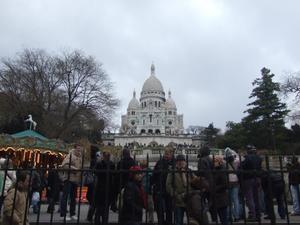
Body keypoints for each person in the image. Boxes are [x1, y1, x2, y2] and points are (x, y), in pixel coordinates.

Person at [60, 143, 83, 221]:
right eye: (78, 148)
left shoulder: (80, 157)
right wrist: (74, 169)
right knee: (65, 197)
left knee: (73, 198)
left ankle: (72, 213)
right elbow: (64, 165)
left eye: (80, 149)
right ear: (75, 148)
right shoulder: (70, 155)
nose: (79, 150)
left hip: (75, 180)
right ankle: (63, 214)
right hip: (69, 178)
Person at [166, 154, 191, 225]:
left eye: (182, 161)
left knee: (191, 221)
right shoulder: (172, 171)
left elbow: (193, 183)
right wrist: (176, 195)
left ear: (185, 162)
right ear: (176, 163)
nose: (180, 163)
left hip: (189, 200)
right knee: (178, 221)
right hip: (178, 201)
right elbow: (168, 185)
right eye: (178, 161)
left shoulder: (189, 171)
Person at [152, 147, 174, 225]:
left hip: (169, 190)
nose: (166, 155)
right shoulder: (160, 162)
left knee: (169, 210)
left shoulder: (174, 163)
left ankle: (169, 223)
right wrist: (152, 184)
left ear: (172, 154)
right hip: (159, 189)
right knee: (160, 210)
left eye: (168, 154)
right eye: (165, 153)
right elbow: (154, 175)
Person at [240, 145, 263, 221]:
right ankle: (258, 214)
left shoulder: (247, 158)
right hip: (257, 178)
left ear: (248, 151)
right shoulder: (259, 158)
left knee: (249, 198)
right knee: (257, 197)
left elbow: (241, 167)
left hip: (248, 179)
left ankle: (253, 215)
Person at [94, 152, 115, 225]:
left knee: (99, 208)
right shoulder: (112, 164)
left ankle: (97, 221)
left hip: (100, 187)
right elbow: (113, 175)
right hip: (108, 188)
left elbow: (95, 172)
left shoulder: (99, 164)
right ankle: (104, 221)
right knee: (106, 208)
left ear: (103, 156)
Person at [224, 147, 241, 222]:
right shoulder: (236, 161)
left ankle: (229, 216)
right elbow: (238, 157)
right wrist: (233, 152)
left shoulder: (224, 163)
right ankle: (237, 216)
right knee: (236, 200)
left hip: (228, 181)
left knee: (228, 201)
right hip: (235, 181)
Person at [212, 156, 229, 225]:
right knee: (222, 218)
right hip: (218, 198)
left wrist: (215, 188)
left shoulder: (221, 170)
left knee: (224, 218)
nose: (213, 163)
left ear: (219, 162)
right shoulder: (216, 170)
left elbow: (225, 184)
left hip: (221, 198)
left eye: (215, 161)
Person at [86, 150, 101, 222]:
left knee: (93, 203)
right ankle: (91, 217)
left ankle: (91, 216)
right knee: (94, 203)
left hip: (94, 185)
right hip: (94, 185)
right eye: (98, 156)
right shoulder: (96, 163)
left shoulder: (95, 163)